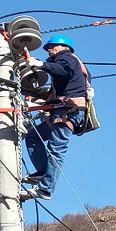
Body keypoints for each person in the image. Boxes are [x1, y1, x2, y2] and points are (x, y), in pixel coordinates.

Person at [19, 34, 91, 201]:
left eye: (52, 47)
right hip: (63, 111)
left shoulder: (67, 58)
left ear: (65, 47)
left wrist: (41, 65)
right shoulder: (73, 64)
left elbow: (64, 72)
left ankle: (45, 189)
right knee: (33, 136)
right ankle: (43, 171)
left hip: (68, 112)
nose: (49, 50)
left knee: (56, 149)